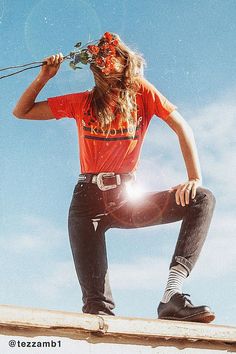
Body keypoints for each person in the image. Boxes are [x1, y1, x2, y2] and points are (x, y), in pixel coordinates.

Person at [13, 32, 216, 323]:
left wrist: (194, 177)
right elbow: (22, 111)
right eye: (101, 58)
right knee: (98, 307)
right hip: (86, 205)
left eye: (114, 55)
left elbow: (182, 126)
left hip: (125, 200)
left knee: (202, 199)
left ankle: (171, 295)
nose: (107, 61)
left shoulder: (142, 93)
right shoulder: (83, 102)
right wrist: (44, 77)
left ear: (125, 61)